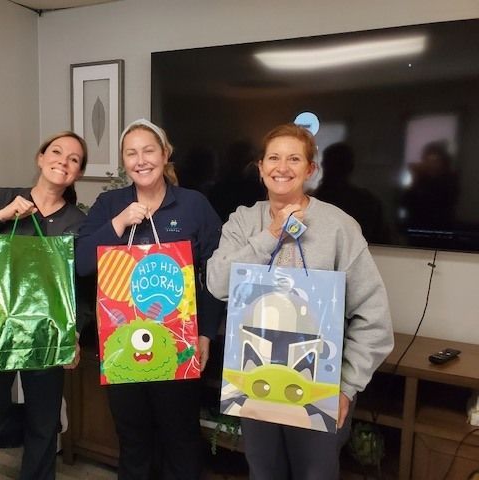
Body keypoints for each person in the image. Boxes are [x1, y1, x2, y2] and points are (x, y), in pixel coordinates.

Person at [206, 123, 394, 480]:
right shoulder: (243, 221)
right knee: (264, 471)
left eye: (294, 159)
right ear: (260, 167)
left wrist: (346, 387)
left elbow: (374, 317)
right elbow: (217, 284)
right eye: (274, 158)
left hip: (318, 387)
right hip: (256, 383)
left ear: (311, 169)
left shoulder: (339, 227)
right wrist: (271, 235)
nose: (282, 167)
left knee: (316, 474)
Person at [76, 118, 224, 480]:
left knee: (181, 439)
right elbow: (80, 263)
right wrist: (119, 223)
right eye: (131, 153)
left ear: (165, 154)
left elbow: (216, 278)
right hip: (123, 347)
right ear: (124, 162)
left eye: (148, 150)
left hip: (179, 344)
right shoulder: (110, 204)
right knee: (133, 440)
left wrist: (205, 333)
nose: (140, 160)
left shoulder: (194, 205)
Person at [0, 131, 89, 480]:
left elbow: (83, 289)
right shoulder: (3, 199)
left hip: (48, 336)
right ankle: (49, 419)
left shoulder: (78, 223)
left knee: (40, 435)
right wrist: (2, 216)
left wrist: (74, 336)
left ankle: (45, 423)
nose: (63, 162)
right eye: (57, 152)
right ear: (40, 157)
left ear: (78, 174)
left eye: (74, 160)